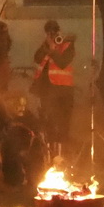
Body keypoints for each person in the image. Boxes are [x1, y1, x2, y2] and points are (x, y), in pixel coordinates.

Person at [32, 20, 76, 157]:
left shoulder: (67, 44)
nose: (52, 35)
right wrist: (46, 45)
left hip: (63, 92)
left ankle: (61, 156)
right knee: (48, 124)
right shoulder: (45, 46)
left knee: (63, 125)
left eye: (54, 32)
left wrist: (52, 50)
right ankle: (50, 156)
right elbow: (37, 58)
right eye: (49, 33)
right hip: (47, 92)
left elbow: (63, 62)